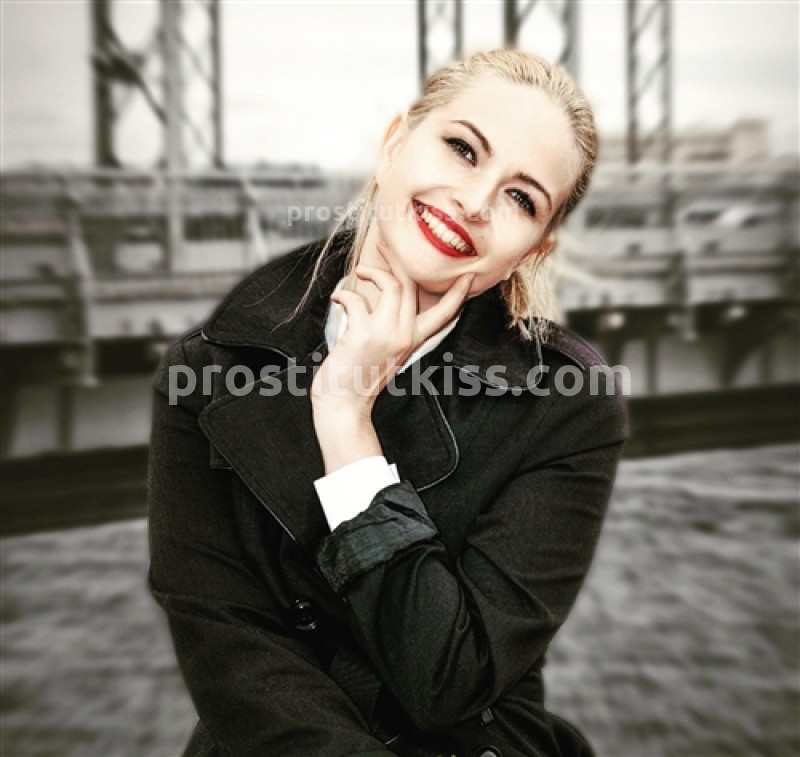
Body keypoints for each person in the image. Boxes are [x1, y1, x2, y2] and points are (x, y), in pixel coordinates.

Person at [148, 48, 628, 756]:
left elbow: (450, 679)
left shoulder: (567, 403)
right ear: (395, 141)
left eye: (520, 198)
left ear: (535, 248)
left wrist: (347, 422)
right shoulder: (205, 372)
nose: (474, 201)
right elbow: (232, 655)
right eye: (462, 149)